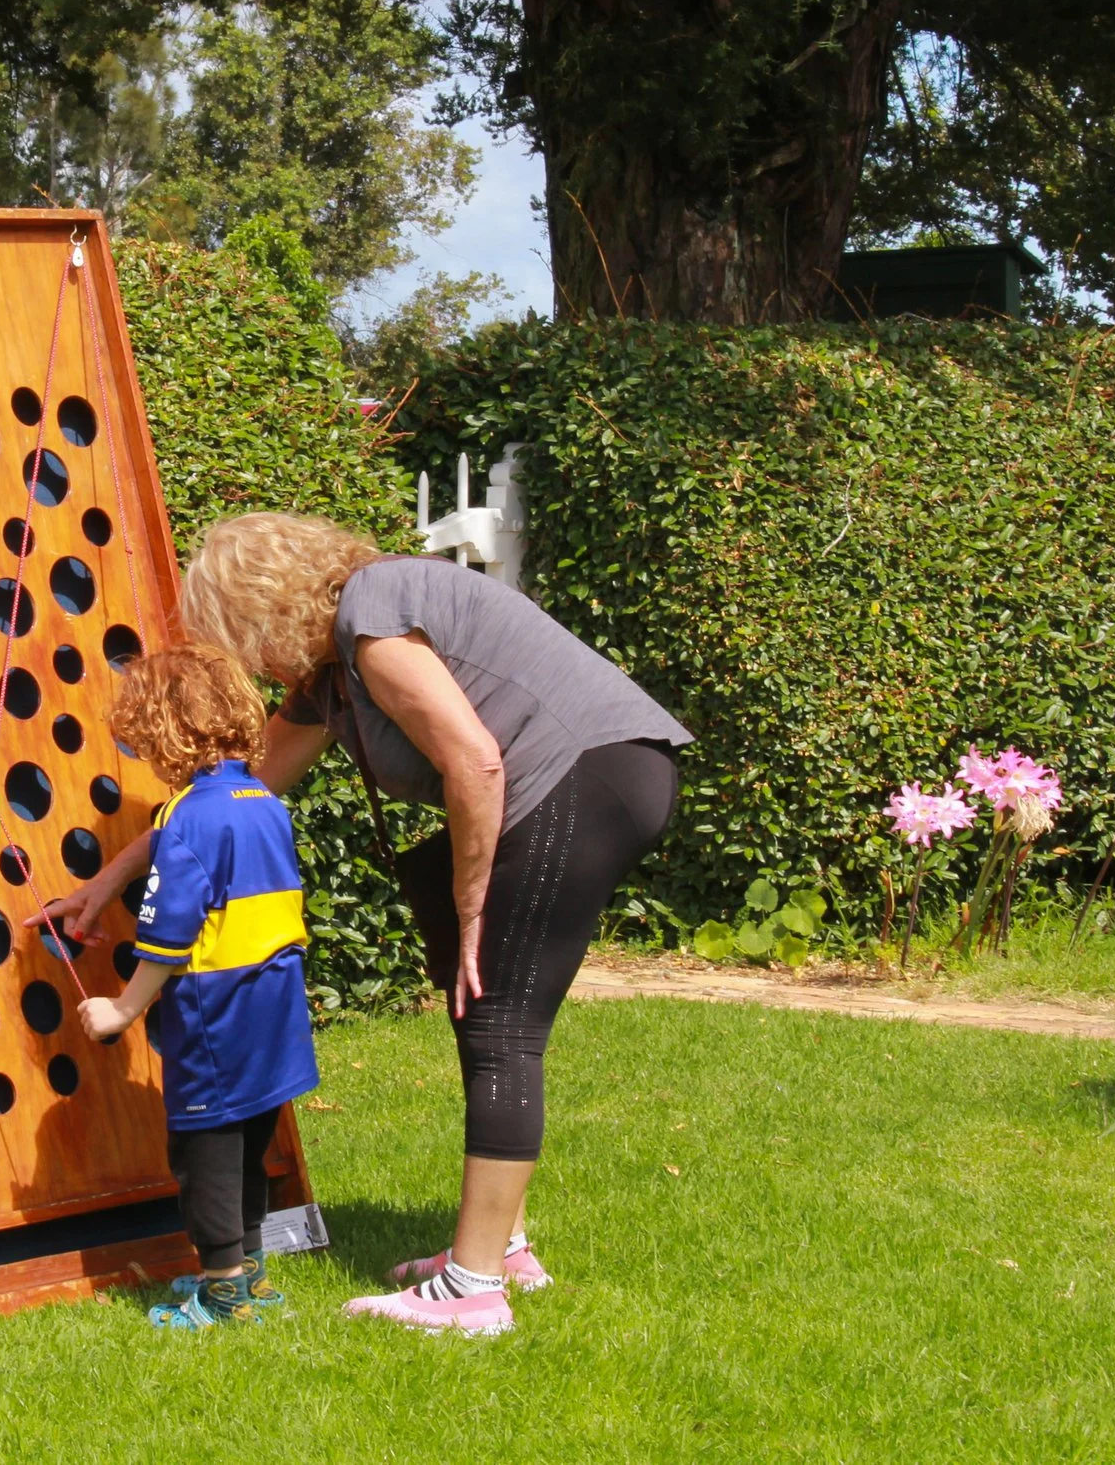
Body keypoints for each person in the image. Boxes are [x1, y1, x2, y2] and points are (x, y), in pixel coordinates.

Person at [50, 513, 689, 1337]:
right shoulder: (332, 674)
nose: (246, 658)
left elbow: (476, 758)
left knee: (497, 1019)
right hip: (600, 773)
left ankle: (474, 1287)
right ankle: (502, 1247)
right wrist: (106, 882)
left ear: (260, 606)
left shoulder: (372, 613)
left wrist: (470, 911)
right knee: (484, 1016)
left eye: (235, 632)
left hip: (585, 775)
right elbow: (235, 793)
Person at [68, 641, 319, 1330]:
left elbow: (169, 935)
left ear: (162, 733)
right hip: (275, 1007)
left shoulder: (188, 817)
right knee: (247, 1145)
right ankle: (250, 1274)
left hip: (219, 1015)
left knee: (204, 1151)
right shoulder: (259, 800)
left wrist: (122, 1007)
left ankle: (223, 1292)